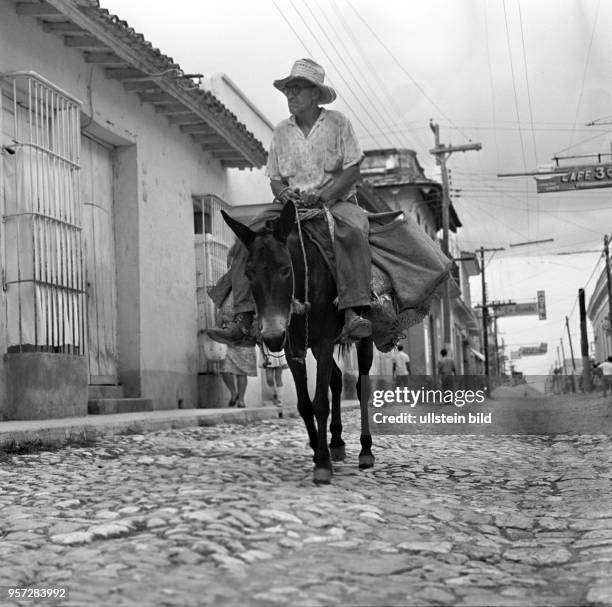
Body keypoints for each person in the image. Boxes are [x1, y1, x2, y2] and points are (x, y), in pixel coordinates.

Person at [208, 58, 372, 346]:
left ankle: (354, 310)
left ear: (314, 93)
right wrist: (283, 193)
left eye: (296, 89)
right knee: (247, 242)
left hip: (334, 202)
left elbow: (354, 169)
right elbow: (274, 177)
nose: (290, 95)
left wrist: (324, 194)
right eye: (288, 90)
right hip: (290, 205)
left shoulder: (338, 123)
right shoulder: (282, 131)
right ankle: (243, 316)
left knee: (356, 231)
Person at [220, 343, 258, 408]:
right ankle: (234, 393)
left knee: (241, 373)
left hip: (245, 347)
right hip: (232, 346)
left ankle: (241, 400)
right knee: (225, 371)